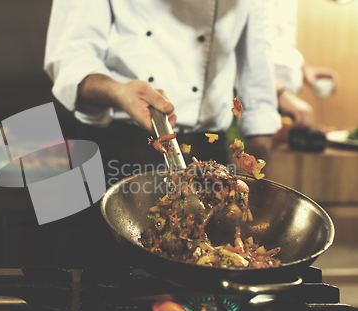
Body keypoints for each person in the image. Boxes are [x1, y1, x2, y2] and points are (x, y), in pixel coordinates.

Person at [44, 1, 281, 267]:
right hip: (110, 146)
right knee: (90, 273)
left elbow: (257, 78)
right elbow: (71, 59)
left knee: (205, 279)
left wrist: (261, 180)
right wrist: (119, 91)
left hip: (209, 157)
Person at [271, 0, 340, 129]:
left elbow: (278, 45)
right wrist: (278, 93)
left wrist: (303, 68)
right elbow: (237, 52)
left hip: (282, 108)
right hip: (247, 106)